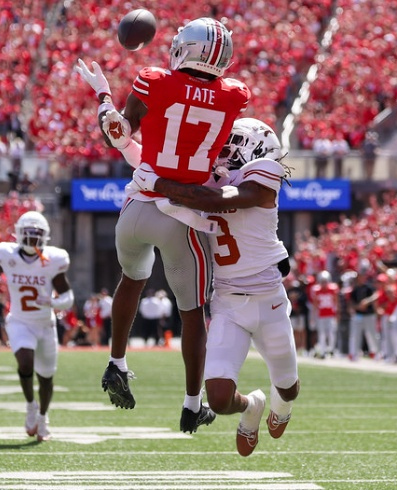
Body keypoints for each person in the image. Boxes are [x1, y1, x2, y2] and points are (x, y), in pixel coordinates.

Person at [75, 16, 249, 433]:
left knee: (130, 280)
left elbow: (117, 135)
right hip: (181, 218)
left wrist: (102, 96)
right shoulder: (234, 95)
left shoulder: (154, 80)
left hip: (136, 209)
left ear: (185, 48)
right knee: (192, 314)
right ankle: (192, 406)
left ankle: (117, 362)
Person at [131, 117, 298, 457]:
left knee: (289, 387)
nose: (224, 147)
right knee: (220, 399)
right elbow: (157, 167)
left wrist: (162, 185)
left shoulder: (265, 174)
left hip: (270, 302)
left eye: (234, 141)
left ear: (257, 146)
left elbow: (218, 200)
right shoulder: (210, 178)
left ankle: (282, 405)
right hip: (227, 301)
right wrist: (125, 143)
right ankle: (253, 405)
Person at [0, 211, 74, 442]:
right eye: (27, 234)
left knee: (47, 378)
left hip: (45, 324)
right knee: (25, 361)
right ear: (20, 234)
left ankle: (42, 416)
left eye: (36, 235)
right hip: (20, 321)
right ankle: (30, 405)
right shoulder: (8, 255)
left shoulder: (52, 260)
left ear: (44, 236)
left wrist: (52, 302)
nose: (31, 240)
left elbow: (68, 297)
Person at [310, 271, 339, 358]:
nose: (324, 283)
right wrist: (313, 317)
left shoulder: (333, 289)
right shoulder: (316, 290)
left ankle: (331, 350)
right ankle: (322, 352)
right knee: (321, 334)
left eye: (325, 281)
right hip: (321, 315)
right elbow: (315, 304)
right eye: (322, 281)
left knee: (331, 333)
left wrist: (337, 314)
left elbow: (336, 302)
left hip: (330, 315)